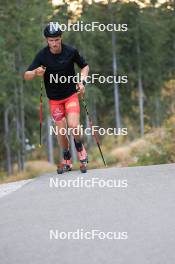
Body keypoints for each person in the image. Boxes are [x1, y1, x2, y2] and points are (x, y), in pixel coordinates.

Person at [24, 24, 89, 173]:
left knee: (73, 125)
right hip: (54, 100)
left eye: (57, 40)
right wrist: (35, 72)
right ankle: (67, 158)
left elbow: (85, 66)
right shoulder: (42, 55)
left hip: (71, 95)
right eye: (51, 40)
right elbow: (26, 75)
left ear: (61, 38)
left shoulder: (71, 51)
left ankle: (80, 147)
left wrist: (82, 82)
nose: (54, 43)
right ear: (47, 40)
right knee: (61, 130)